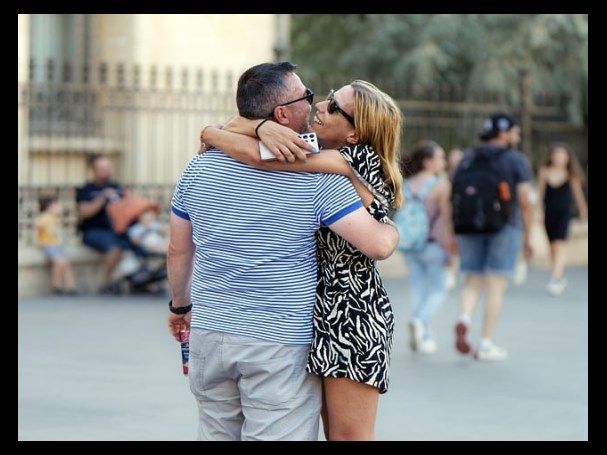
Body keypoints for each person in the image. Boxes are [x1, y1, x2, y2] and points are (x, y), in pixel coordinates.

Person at [167, 62, 400, 441]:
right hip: (307, 319)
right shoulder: (315, 159)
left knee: (347, 437)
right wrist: (248, 128)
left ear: (356, 133)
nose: (318, 107)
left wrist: (214, 131)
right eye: (318, 100)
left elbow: (261, 157)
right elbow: (254, 143)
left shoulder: (346, 163)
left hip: (350, 312)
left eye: (332, 107)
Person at [453, 113, 534, 361]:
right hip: (504, 226)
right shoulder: (515, 160)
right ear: (503, 133)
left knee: (471, 280)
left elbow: (453, 192)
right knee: (495, 284)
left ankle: (464, 317)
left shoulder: (468, 157)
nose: (517, 137)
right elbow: (524, 201)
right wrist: (528, 236)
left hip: (469, 225)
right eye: (515, 133)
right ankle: (485, 343)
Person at [400, 140, 456, 354]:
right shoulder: (441, 185)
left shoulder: (407, 183)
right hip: (432, 243)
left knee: (418, 289)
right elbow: (446, 220)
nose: (443, 162)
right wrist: (450, 245)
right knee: (439, 290)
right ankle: (420, 321)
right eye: (440, 158)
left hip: (410, 243)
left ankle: (424, 334)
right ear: (428, 162)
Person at [536, 141, 588, 296]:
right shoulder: (544, 172)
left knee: (559, 244)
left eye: (562, 155)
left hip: (563, 214)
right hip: (548, 213)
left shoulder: (571, 175)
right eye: (557, 155)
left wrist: (583, 211)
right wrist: (537, 211)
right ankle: (557, 273)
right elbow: (540, 194)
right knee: (552, 246)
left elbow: (578, 195)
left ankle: (555, 278)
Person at [76, 154, 130, 294]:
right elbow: (84, 212)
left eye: (107, 167)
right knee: (115, 247)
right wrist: (102, 198)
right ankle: (106, 282)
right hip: (94, 231)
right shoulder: (86, 189)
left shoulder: (116, 187)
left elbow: (128, 207)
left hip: (116, 230)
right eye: (101, 168)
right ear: (93, 170)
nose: (105, 171)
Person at [35, 195, 77, 295]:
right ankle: (58, 286)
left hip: (56, 245)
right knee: (60, 263)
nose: (60, 208)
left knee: (64, 264)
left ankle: (68, 286)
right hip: (48, 245)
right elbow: (38, 226)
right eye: (57, 206)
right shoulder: (45, 217)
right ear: (50, 207)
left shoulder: (54, 218)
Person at [445, 147, 464, 290]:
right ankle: (450, 271)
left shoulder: (467, 175)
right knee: (450, 242)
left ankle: (460, 269)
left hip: (461, 214)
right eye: (453, 157)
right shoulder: (445, 176)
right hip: (448, 214)